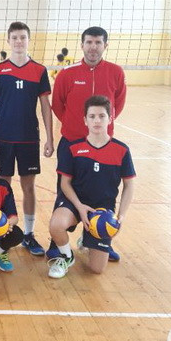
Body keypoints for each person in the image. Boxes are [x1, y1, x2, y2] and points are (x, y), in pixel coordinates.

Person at [49, 26, 127, 261]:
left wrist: (99, 131)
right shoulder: (67, 73)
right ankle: (57, 242)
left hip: (103, 145)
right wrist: (76, 126)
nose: (93, 47)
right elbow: (58, 105)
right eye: (89, 42)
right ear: (82, 45)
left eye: (98, 42)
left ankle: (98, 235)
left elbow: (117, 105)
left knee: (103, 193)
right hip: (71, 144)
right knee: (64, 190)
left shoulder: (116, 72)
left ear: (105, 45)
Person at [0, 22, 54, 256]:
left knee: (28, 187)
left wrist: (50, 138)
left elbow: (45, 106)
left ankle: (29, 234)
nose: (19, 41)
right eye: (14, 37)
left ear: (28, 40)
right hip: (2, 139)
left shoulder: (39, 70)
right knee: (2, 187)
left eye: (23, 37)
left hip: (28, 139)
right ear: (8, 40)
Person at [46, 95, 135, 279]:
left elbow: (129, 185)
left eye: (102, 116)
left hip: (102, 211)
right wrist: (79, 207)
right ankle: (66, 257)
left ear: (110, 118)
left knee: (97, 269)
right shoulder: (73, 148)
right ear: (85, 120)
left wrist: (121, 216)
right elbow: (65, 183)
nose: (97, 121)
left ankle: (87, 240)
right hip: (74, 203)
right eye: (92, 116)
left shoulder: (122, 150)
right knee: (56, 225)